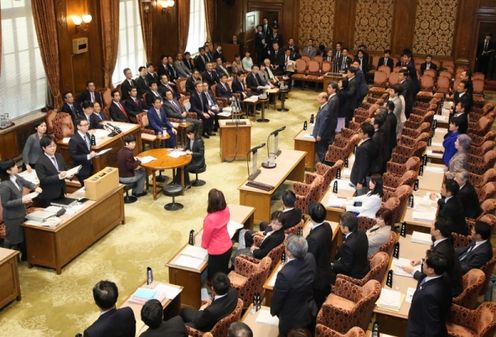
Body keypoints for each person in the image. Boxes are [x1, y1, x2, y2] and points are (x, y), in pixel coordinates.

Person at [402, 217, 463, 296]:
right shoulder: (445, 241)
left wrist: (413, 272)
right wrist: (421, 261)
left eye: (432, 225)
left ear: (438, 231)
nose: (430, 227)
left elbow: (435, 276)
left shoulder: (442, 252)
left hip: (445, 289)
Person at [270, 235, 317, 337]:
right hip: (308, 310)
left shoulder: (285, 274)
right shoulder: (310, 258)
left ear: (288, 252)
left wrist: (273, 311)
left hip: (291, 318)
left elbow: (278, 298)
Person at [0, 159, 41, 260]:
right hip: (12, 217)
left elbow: (26, 182)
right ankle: (6, 258)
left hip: (21, 213)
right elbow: (5, 204)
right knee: (12, 239)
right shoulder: (4, 185)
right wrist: (22, 200)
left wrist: (35, 187)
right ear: (8, 171)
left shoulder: (15, 177)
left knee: (23, 238)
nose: (16, 167)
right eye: (13, 166)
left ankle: (25, 258)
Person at [406, 251, 451, 337]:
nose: (422, 263)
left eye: (424, 262)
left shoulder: (429, 295)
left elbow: (432, 327)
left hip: (417, 329)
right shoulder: (443, 275)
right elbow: (424, 278)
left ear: (431, 270)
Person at [306, 202, 333, 308]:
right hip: (325, 269)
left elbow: (309, 259)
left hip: (317, 278)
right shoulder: (327, 226)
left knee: (315, 306)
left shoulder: (314, 239)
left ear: (311, 217)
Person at [330, 212, 370, 283]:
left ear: (346, 228)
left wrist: (332, 264)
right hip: (363, 267)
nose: (339, 226)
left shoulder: (348, 245)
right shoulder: (362, 233)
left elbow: (345, 268)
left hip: (355, 274)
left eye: (340, 224)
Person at [202, 189, 232, 280]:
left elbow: (206, 237)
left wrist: (204, 246)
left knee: (213, 279)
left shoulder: (210, 219)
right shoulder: (226, 209)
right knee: (223, 273)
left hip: (216, 252)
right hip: (228, 246)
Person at [35, 136, 71, 207]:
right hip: (49, 195)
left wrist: (69, 174)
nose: (53, 148)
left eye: (54, 145)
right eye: (50, 146)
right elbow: (43, 180)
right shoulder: (40, 162)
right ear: (43, 148)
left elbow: (65, 169)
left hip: (61, 191)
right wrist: (58, 176)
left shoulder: (59, 156)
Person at [312, 87, 338, 163]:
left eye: (319, 97)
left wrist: (319, 135)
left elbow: (323, 123)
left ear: (324, 99)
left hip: (322, 135)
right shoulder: (324, 107)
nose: (317, 99)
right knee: (321, 150)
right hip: (323, 134)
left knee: (321, 151)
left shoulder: (325, 110)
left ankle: (324, 164)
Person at [350, 122, 377, 193]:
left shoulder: (364, 148)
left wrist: (360, 181)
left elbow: (363, 166)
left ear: (366, 134)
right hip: (366, 176)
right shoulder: (371, 142)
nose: (359, 133)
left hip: (362, 178)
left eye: (361, 131)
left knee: (360, 199)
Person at [69, 118, 97, 184]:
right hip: (82, 169)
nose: (87, 126)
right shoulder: (74, 140)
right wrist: (88, 156)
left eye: (87, 124)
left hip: (90, 166)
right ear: (78, 126)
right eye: (84, 125)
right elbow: (74, 156)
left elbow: (88, 149)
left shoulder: (87, 134)